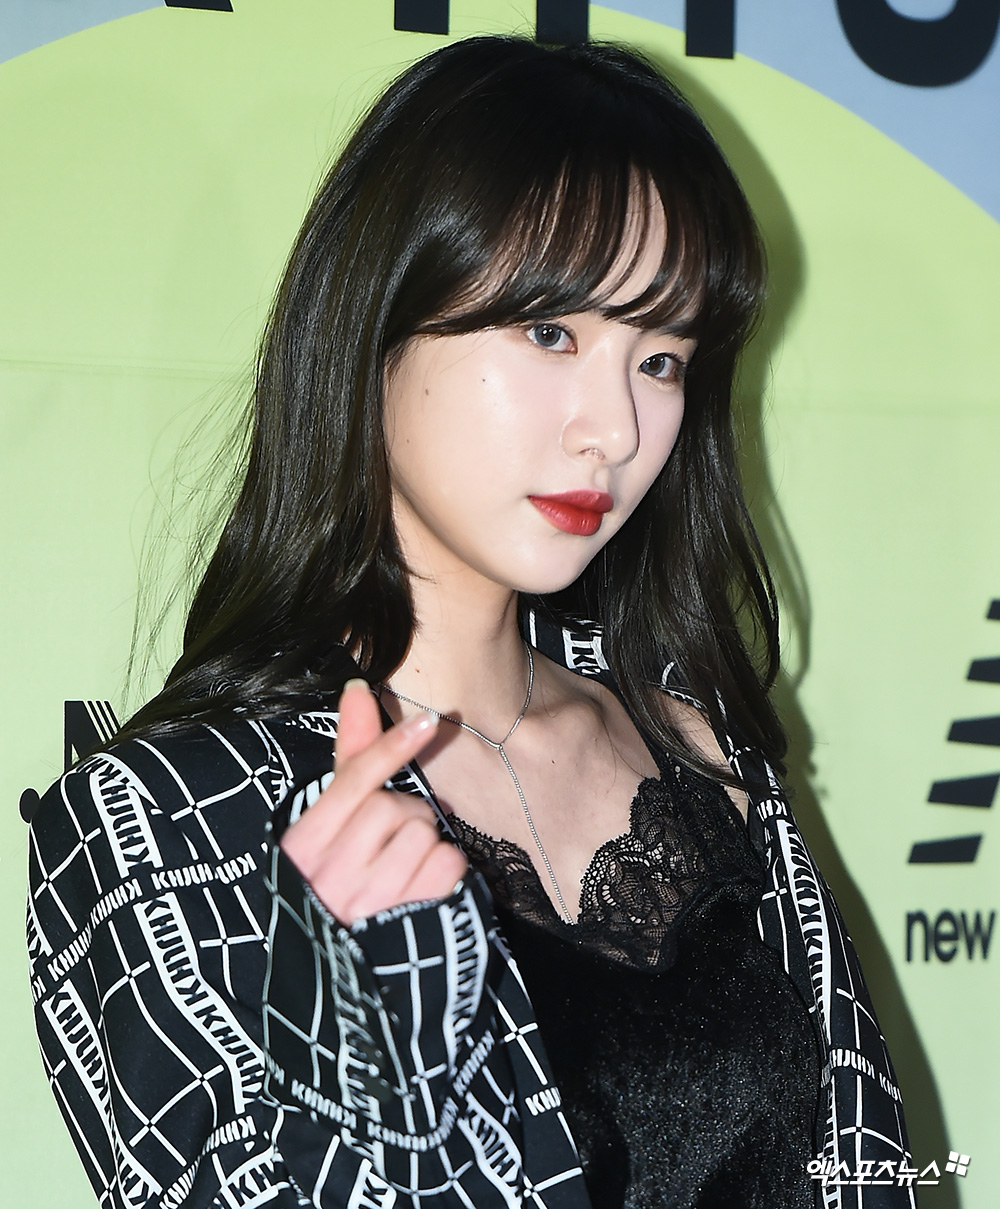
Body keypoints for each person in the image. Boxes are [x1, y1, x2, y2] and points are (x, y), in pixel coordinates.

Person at [27, 34, 913, 1209]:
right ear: (375, 321)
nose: (613, 429)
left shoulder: (700, 747)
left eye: (659, 360)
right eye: (551, 334)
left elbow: (867, 1165)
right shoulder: (161, 819)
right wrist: (356, 1055)